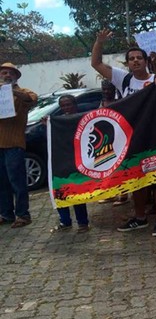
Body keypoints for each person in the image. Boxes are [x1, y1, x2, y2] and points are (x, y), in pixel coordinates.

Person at [91, 29, 156, 237]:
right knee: (136, 179)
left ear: (146, 61)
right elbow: (96, 64)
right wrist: (99, 42)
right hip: (132, 140)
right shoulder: (124, 80)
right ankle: (140, 218)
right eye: (131, 59)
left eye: (139, 58)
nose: (135, 61)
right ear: (127, 64)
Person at [0, 62, 37, 228]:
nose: (6, 75)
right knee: (2, 182)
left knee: (17, 181)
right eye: (3, 73)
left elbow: (33, 99)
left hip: (14, 143)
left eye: (10, 73)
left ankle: (23, 214)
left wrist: (10, 91)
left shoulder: (22, 92)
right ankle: (6, 214)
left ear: (16, 77)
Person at [53, 95, 90, 233]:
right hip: (61, 161)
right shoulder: (58, 122)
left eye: (68, 104)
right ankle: (65, 221)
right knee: (60, 189)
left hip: (77, 160)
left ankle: (83, 223)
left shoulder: (83, 118)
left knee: (77, 191)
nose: (66, 108)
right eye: (63, 106)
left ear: (75, 105)